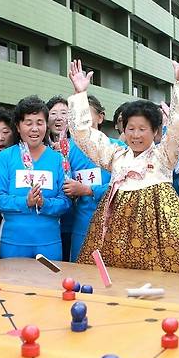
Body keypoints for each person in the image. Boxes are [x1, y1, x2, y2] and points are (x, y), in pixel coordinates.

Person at [67, 49, 179, 275]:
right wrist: (80, 95)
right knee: (112, 281)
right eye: (131, 129)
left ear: (156, 131)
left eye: (142, 129)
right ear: (123, 129)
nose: (136, 135)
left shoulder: (163, 156)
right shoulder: (116, 155)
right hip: (113, 234)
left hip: (157, 235)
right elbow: (84, 136)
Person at [0, 96, 72, 260]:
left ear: (46, 126)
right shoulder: (4, 158)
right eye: (28, 123)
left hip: (49, 243)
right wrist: (26, 202)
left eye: (40, 123)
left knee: (49, 285)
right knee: (13, 286)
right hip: (13, 242)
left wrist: (44, 203)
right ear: (18, 127)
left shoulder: (58, 159)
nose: (34, 128)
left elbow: (66, 201)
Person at [65, 95, 123, 262]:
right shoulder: (67, 149)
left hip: (113, 224)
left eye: (86, 114)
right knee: (80, 274)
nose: (81, 120)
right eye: (76, 116)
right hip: (82, 224)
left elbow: (124, 184)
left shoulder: (119, 148)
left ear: (100, 116)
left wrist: (88, 190)